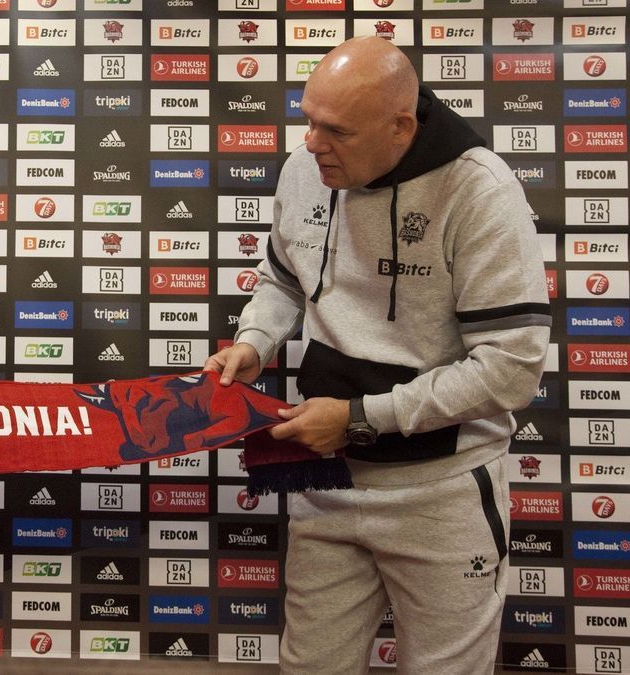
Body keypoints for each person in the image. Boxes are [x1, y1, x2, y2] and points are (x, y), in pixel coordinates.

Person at [205, 37, 549, 673]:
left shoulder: (480, 192)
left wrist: (362, 416)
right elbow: (284, 277)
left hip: (440, 494)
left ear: (400, 127)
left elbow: (509, 368)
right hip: (326, 479)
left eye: (335, 130)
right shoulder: (307, 165)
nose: (311, 144)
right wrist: (256, 341)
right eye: (307, 119)